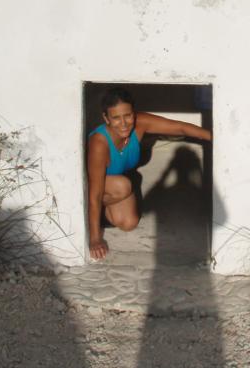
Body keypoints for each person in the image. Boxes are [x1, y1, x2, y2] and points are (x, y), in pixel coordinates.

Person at [87, 87, 212, 260]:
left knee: (129, 223)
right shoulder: (99, 143)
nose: (123, 123)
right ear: (106, 118)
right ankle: (90, 220)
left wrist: (216, 137)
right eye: (116, 117)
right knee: (123, 186)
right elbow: (95, 193)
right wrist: (94, 239)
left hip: (113, 188)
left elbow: (180, 128)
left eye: (128, 115)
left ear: (133, 112)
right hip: (93, 187)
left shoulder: (140, 123)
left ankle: (100, 215)